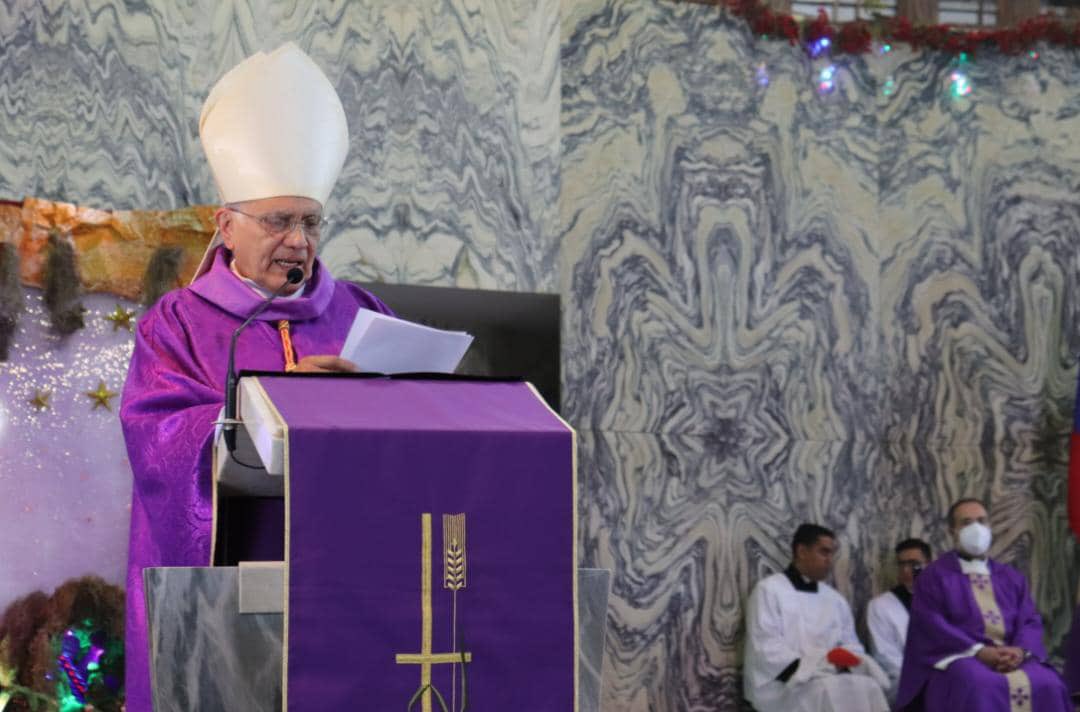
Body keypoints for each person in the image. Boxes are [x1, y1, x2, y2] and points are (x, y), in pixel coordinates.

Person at [119, 43, 394, 712]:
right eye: (278, 221)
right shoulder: (178, 323)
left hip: (345, 584)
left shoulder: (362, 314)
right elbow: (157, 440)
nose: (298, 240)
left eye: (309, 221)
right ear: (227, 225)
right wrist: (282, 411)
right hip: (229, 587)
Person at [895, 498, 1070, 711]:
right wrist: (978, 651)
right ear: (953, 531)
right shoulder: (933, 577)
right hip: (961, 656)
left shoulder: (1010, 577)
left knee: (1050, 683)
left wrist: (1019, 651)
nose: (976, 528)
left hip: (1012, 655)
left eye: (981, 521)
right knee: (977, 684)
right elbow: (931, 624)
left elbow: (1029, 620)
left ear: (989, 526)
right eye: (966, 522)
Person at [743, 523, 890, 712]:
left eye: (831, 554)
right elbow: (765, 646)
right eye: (824, 552)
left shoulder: (834, 599)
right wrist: (812, 670)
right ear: (802, 551)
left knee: (868, 687)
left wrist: (840, 663)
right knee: (826, 691)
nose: (830, 560)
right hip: (784, 686)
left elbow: (850, 644)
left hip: (829, 676)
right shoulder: (769, 590)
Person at [866, 537, 931, 702]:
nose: (907, 570)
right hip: (904, 680)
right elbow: (884, 656)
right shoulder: (880, 606)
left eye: (914, 563)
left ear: (929, 565)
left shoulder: (945, 601)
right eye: (902, 564)